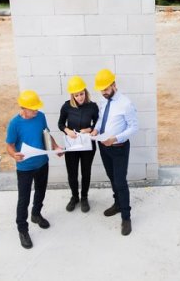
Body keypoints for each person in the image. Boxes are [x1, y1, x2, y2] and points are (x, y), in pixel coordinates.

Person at [5, 90, 61, 249]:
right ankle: (22, 229)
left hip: (42, 163)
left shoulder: (41, 116)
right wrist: (14, 155)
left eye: (37, 108)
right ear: (23, 108)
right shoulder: (14, 124)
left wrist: (56, 147)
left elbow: (47, 134)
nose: (36, 111)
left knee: (41, 191)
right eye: (33, 109)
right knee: (24, 199)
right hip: (25, 168)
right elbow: (9, 146)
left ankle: (36, 214)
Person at [93, 68, 138, 236]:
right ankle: (117, 204)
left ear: (114, 85)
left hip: (118, 148)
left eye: (106, 89)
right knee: (111, 177)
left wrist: (116, 138)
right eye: (101, 90)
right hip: (103, 146)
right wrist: (96, 130)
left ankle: (126, 217)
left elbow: (134, 127)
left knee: (120, 181)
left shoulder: (126, 104)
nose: (103, 92)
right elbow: (100, 119)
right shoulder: (104, 100)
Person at [58, 75, 99, 213]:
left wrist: (90, 129)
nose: (80, 97)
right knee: (72, 173)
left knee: (85, 172)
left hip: (87, 145)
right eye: (77, 95)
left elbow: (99, 124)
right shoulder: (66, 106)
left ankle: (84, 197)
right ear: (72, 96)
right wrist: (67, 130)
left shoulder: (92, 107)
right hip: (72, 145)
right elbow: (60, 123)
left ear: (85, 92)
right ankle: (74, 197)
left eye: (81, 94)